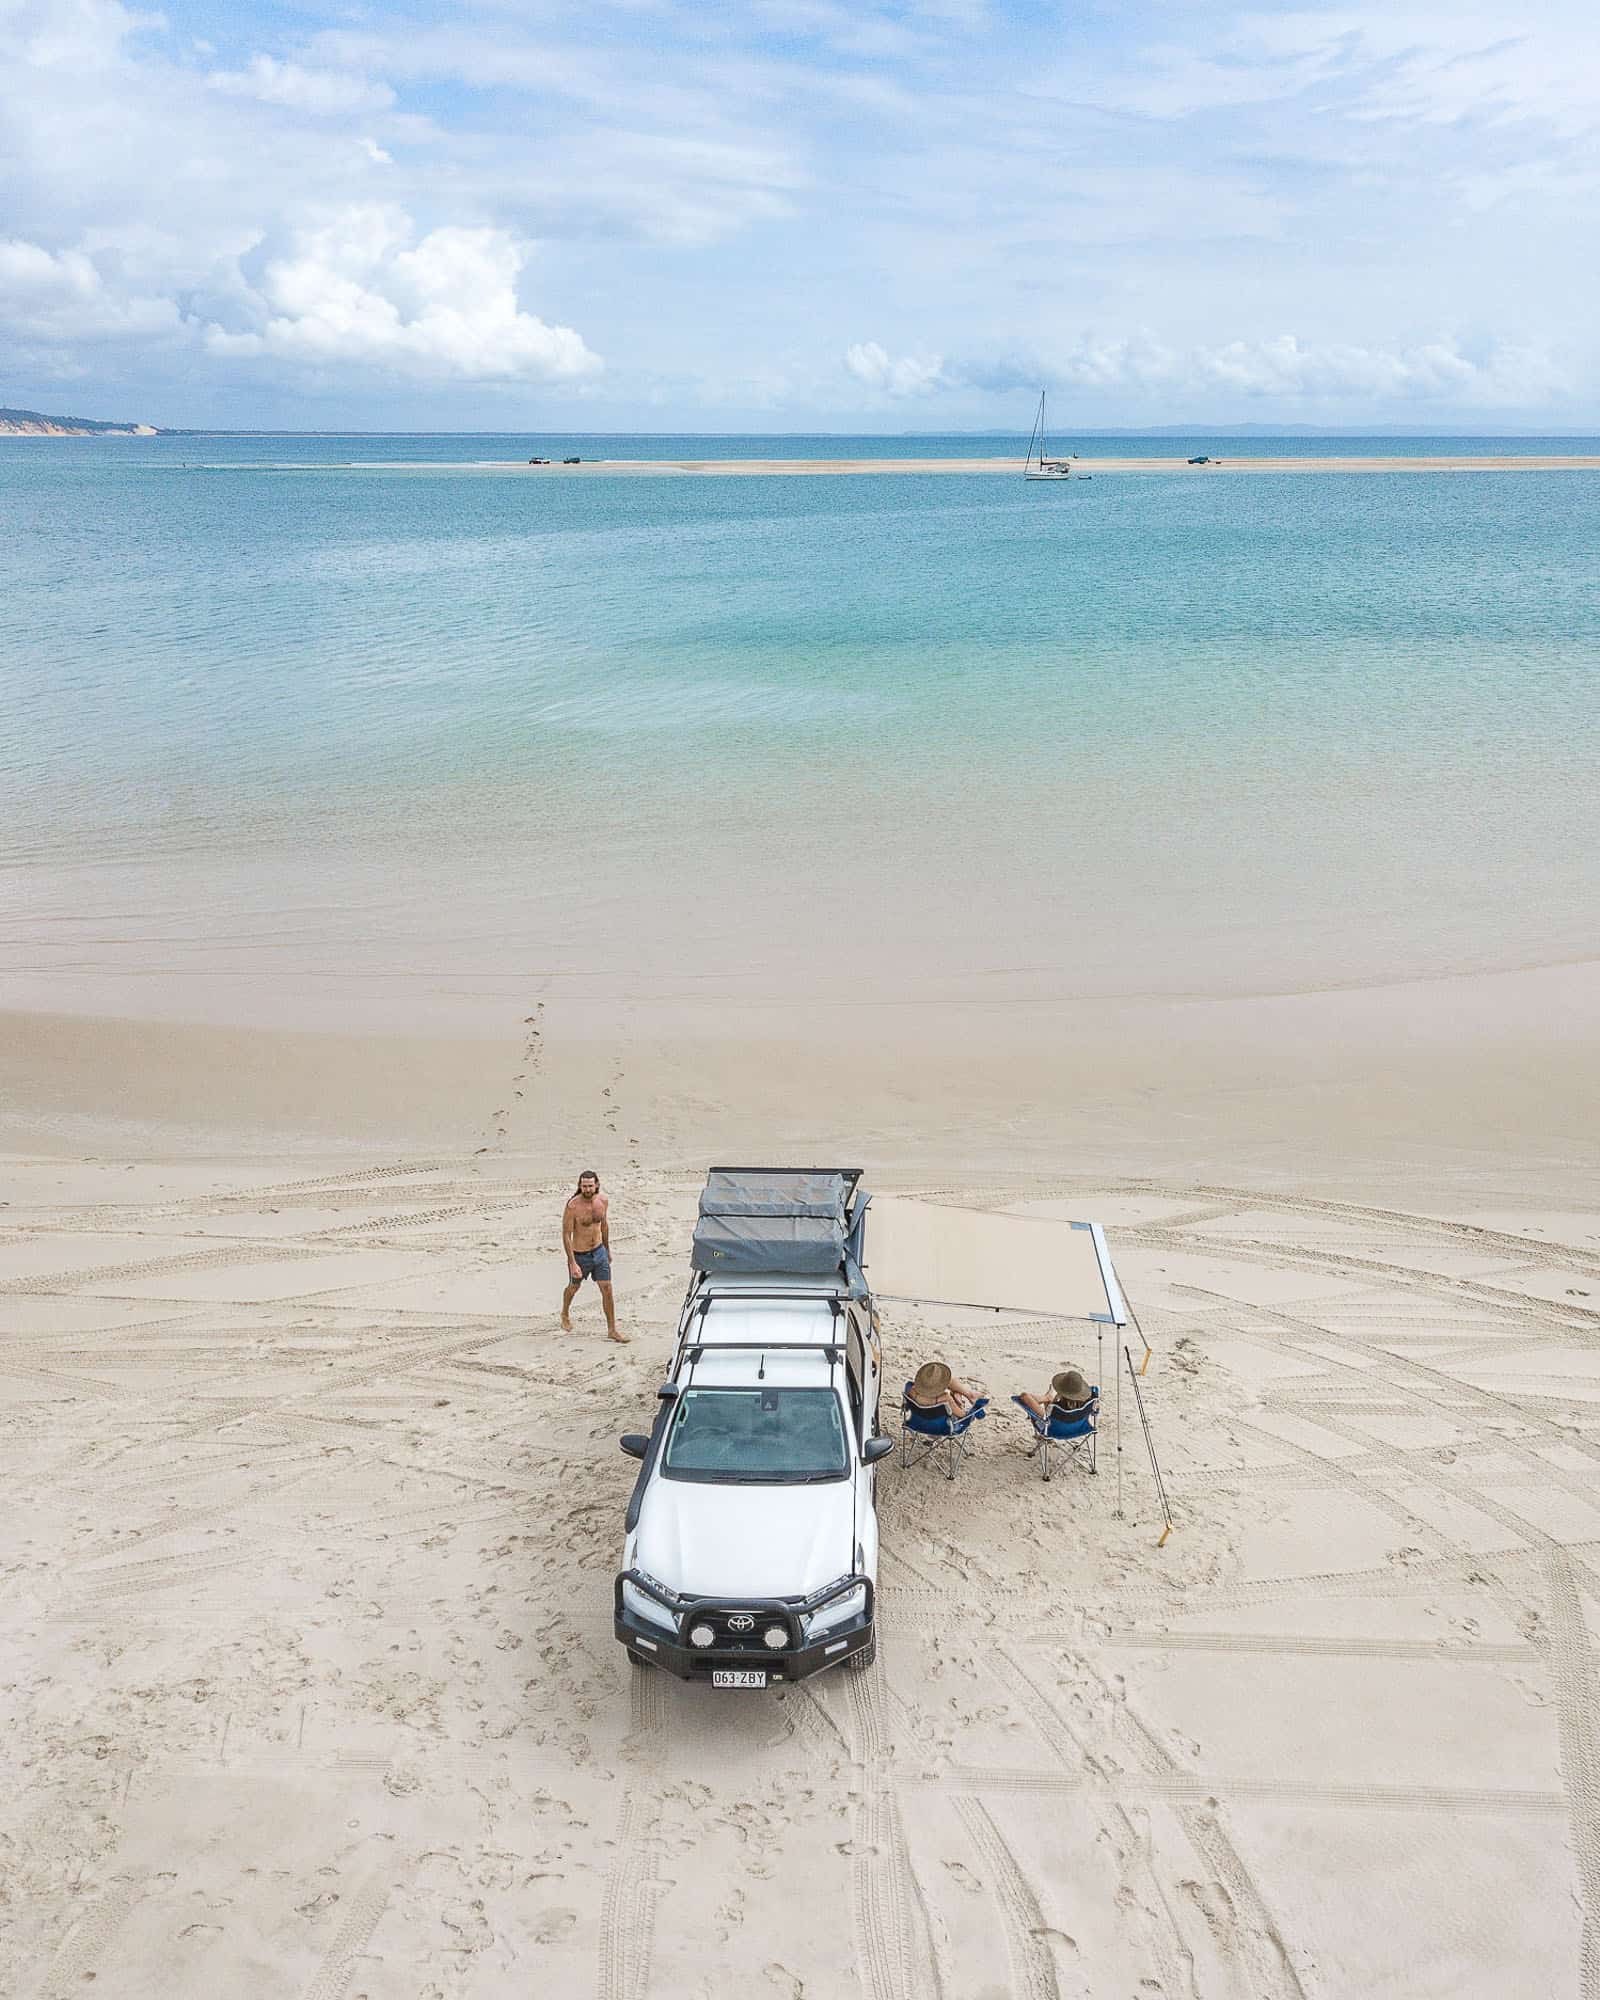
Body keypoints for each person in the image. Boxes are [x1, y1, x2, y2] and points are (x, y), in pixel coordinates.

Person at [561, 1170, 628, 1343]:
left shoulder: (603, 1201)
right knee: (573, 1288)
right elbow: (566, 1235)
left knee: (607, 1289)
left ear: (596, 1185)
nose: (587, 1189)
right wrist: (572, 1263)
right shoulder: (573, 1206)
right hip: (580, 1255)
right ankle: (565, 1313)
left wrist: (607, 1249)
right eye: (584, 1186)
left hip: (599, 1252)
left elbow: (604, 1226)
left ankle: (612, 1330)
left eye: (590, 1185)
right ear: (580, 1186)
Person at [906, 1360, 982, 1418]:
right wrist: (962, 1408)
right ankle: (965, 1395)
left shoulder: (912, 1390)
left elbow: (914, 1391)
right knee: (949, 1385)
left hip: (919, 1416)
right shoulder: (945, 1398)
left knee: (949, 1380)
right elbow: (963, 1416)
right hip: (938, 1418)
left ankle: (969, 1394)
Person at [1017, 1368, 1094, 1424]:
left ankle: (1047, 1397)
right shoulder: (1088, 1404)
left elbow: (1024, 1396)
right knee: (1034, 1399)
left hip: (1052, 1428)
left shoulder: (1055, 1408)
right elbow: (1095, 1412)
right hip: (1077, 1429)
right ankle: (1047, 1397)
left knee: (1024, 1396)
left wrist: (1052, 1401)